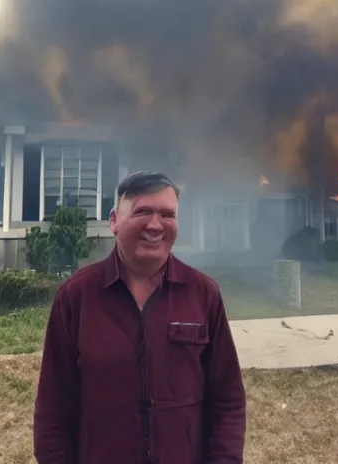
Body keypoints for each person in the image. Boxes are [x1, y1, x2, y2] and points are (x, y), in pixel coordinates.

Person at [33, 171, 246, 464]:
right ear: (113, 221)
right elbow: (53, 408)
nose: (155, 224)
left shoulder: (203, 294)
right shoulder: (76, 297)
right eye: (142, 211)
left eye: (167, 214)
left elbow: (227, 401)